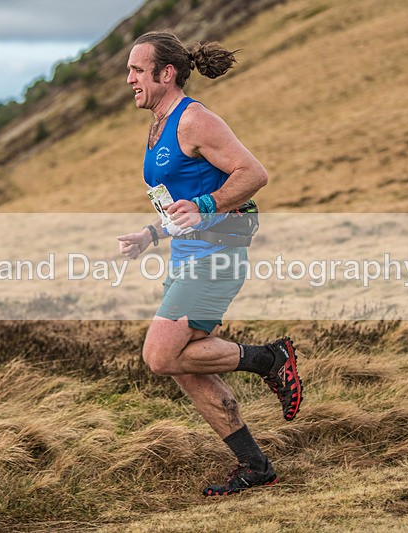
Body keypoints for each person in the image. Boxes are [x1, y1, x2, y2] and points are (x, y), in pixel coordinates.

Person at [117, 30, 303, 496]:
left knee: (160, 355)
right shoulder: (159, 124)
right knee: (183, 364)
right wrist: (153, 233)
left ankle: (269, 358)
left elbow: (253, 174)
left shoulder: (193, 119)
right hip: (187, 252)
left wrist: (207, 203)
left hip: (217, 254)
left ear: (167, 73)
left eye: (138, 71)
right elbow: (180, 202)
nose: (129, 80)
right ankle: (255, 465)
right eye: (129, 71)